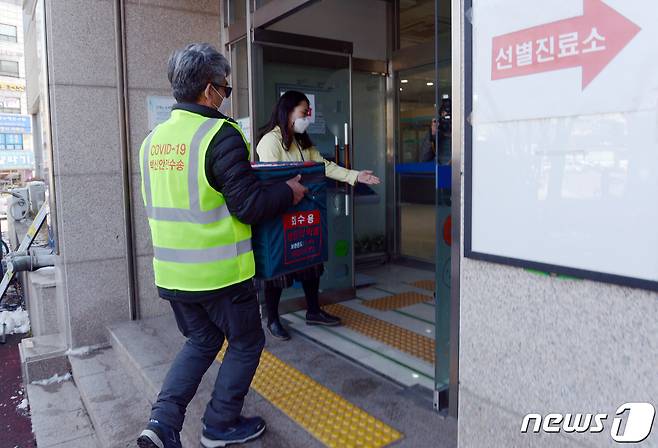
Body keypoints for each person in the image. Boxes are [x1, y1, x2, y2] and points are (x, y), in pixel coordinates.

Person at [136, 43, 307, 448]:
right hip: (220, 276)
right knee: (247, 342)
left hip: (173, 275)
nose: (224, 97)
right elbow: (248, 206)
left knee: (202, 340)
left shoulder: (152, 141)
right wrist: (288, 191)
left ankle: (161, 424)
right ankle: (219, 425)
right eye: (225, 90)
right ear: (208, 90)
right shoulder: (220, 134)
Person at [256, 90, 380, 341]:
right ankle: (273, 318)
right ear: (288, 111)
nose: (307, 118)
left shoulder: (303, 141)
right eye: (304, 113)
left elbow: (323, 166)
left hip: (304, 213)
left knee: (311, 260)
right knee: (279, 270)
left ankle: (313, 311)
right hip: (281, 215)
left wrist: (355, 176)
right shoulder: (269, 142)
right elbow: (272, 179)